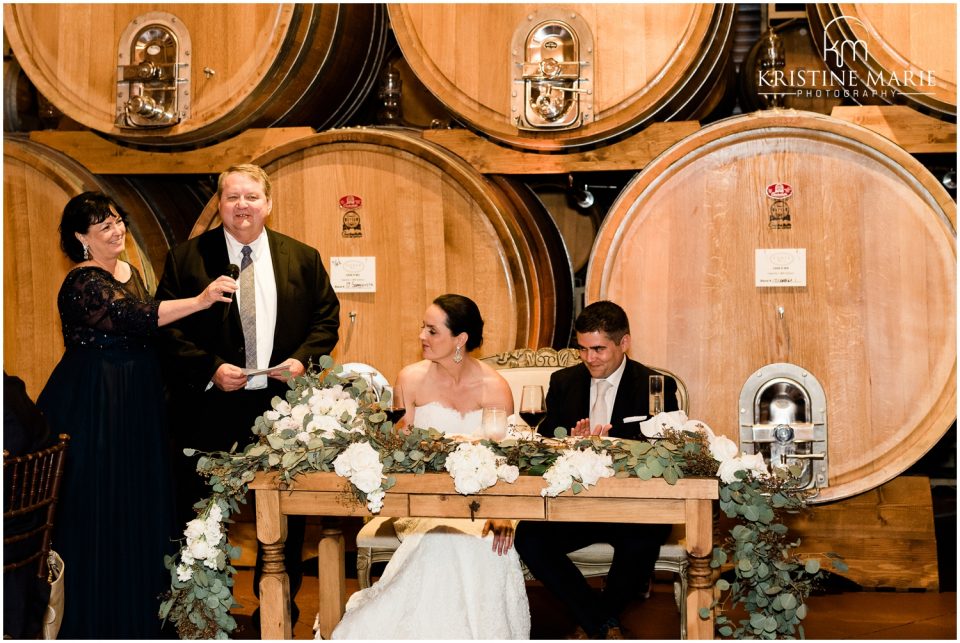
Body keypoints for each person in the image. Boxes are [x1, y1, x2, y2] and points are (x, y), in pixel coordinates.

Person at [35, 191, 238, 638]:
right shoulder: (82, 281)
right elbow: (134, 316)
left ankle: (143, 615)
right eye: (103, 225)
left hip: (136, 401)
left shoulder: (129, 270)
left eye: (117, 220)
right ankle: (99, 618)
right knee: (101, 503)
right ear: (80, 237)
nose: (116, 230)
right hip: (97, 403)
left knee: (139, 498)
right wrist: (202, 300)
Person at [155, 164, 340, 625]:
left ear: (268, 204)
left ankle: (275, 614)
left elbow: (326, 320)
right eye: (232, 197)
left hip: (279, 412)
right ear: (219, 204)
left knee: (282, 520)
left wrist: (301, 359)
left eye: (251, 197)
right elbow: (166, 331)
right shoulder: (186, 259)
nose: (242, 206)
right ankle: (201, 615)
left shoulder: (303, 257)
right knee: (202, 516)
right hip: (208, 411)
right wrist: (211, 368)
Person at [332, 294, 530, 639]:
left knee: (481, 540)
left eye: (432, 330)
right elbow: (398, 451)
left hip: (485, 502)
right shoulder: (410, 379)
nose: (422, 336)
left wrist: (502, 511)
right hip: (423, 500)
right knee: (445, 535)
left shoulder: (494, 386)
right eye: (423, 328)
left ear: (460, 339)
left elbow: (506, 458)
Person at [514, 300, 679, 640]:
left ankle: (595, 621)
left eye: (599, 349)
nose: (590, 358)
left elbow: (667, 449)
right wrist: (570, 445)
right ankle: (602, 622)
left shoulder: (656, 385)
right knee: (529, 537)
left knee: (644, 537)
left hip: (635, 507)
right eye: (583, 349)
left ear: (624, 343)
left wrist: (615, 447)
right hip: (578, 506)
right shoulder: (563, 382)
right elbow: (544, 446)